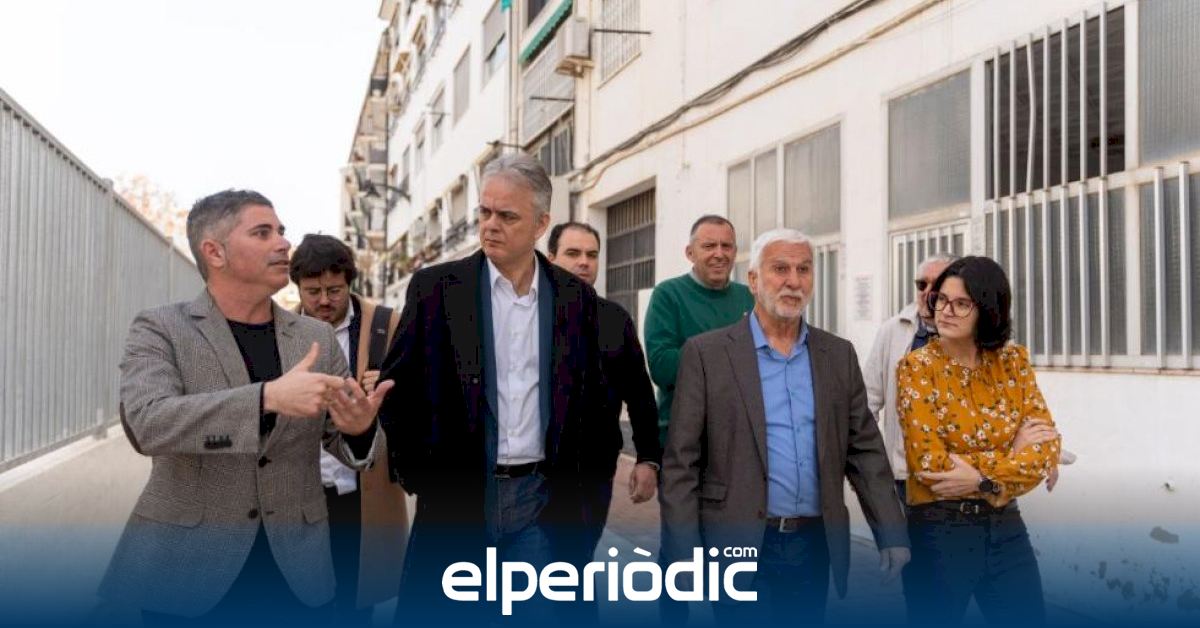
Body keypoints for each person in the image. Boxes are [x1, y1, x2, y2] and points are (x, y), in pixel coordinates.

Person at [99, 189, 391, 625]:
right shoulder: (161, 328)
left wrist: (360, 429)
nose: (283, 243)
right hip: (187, 575)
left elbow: (345, 443)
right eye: (262, 232)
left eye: (281, 231)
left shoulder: (315, 337)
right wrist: (266, 398)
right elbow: (148, 423)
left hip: (298, 574)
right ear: (214, 252)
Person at [377, 154, 609, 622]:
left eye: (507, 216)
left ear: (541, 223)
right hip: (459, 499)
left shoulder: (576, 298)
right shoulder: (436, 289)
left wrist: (584, 497)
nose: (490, 225)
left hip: (542, 502)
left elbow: (593, 402)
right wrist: (419, 475)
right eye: (484, 212)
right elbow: (395, 388)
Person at [662, 228, 910, 623]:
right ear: (753, 280)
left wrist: (891, 532)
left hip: (813, 545)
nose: (794, 281)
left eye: (804, 269)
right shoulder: (707, 355)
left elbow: (865, 450)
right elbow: (681, 464)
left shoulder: (837, 355)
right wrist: (683, 552)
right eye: (780, 269)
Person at [898, 255, 1061, 624]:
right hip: (940, 529)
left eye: (961, 304)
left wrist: (982, 478)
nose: (945, 311)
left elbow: (1046, 447)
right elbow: (930, 465)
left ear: (987, 309)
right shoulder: (917, 369)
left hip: (1005, 526)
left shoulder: (1013, 363)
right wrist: (1012, 453)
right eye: (941, 299)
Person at [290, 233, 408, 625]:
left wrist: (392, 389)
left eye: (335, 290)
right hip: (301, 497)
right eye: (313, 292)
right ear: (297, 288)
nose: (324, 301)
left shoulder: (387, 325)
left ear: (350, 282)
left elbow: (423, 393)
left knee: (357, 604)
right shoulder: (279, 330)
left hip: (364, 493)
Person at [546, 221, 662, 564]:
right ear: (550, 258)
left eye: (592, 254)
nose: (584, 262)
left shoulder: (614, 319)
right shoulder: (526, 316)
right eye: (573, 253)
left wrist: (648, 459)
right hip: (532, 474)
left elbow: (640, 394)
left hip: (593, 472)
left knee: (577, 564)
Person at [643, 215, 754, 448]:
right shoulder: (668, 295)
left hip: (740, 438)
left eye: (726, 246)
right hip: (683, 440)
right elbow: (663, 368)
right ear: (690, 253)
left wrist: (700, 357)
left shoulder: (749, 297)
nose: (719, 254)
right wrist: (733, 353)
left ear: (735, 252)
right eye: (709, 246)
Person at [864, 252, 957, 504]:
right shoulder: (893, 330)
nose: (927, 292)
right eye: (921, 284)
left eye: (937, 285)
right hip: (905, 478)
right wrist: (873, 462)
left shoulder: (975, 334)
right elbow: (867, 401)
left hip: (957, 478)